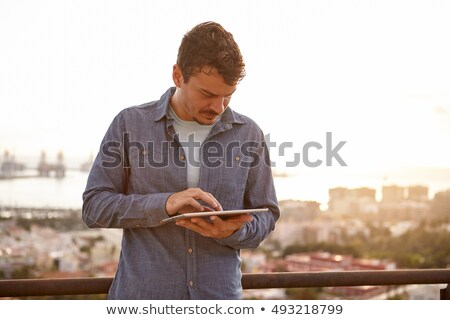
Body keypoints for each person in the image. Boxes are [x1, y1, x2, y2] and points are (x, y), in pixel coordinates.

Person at [82, 21, 279, 300]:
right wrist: (165, 204)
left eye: (228, 96)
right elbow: (93, 208)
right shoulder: (130, 124)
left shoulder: (249, 134)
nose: (218, 108)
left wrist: (232, 232)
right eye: (208, 94)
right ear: (178, 75)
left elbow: (267, 214)